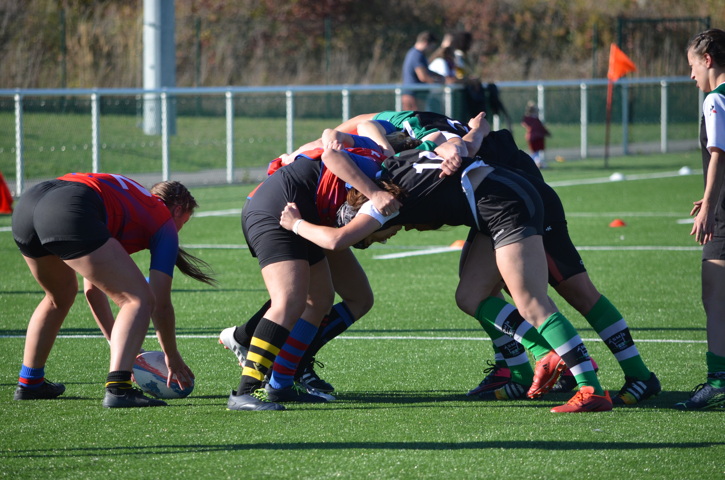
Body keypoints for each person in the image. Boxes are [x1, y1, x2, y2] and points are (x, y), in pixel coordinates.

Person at [279, 133, 612, 413]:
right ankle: (546, 356)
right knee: (470, 296)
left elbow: (337, 240)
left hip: (504, 204)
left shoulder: (378, 205)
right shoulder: (386, 164)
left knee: (531, 303)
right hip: (500, 195)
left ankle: (590, 388)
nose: (386, 236)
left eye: (372, 238)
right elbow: (435, 142)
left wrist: (296, 224)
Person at [227, 123, 404, 411]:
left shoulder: (378, 167)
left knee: (320, 300)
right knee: (289, 300)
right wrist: (375, 193)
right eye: (386, 232)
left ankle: (280, 384)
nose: (385, 237)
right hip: (275, 209)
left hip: (300, 212)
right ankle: (246, 391)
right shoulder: (377, 171)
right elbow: (331, 154)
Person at [11, 173, 215, 408]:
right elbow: (160, 304)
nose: (179, 229)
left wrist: (120, 346)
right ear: (178, 210)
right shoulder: (163, 221)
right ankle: (119, 389)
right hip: (69, 204)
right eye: (184, 222)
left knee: (59, 296)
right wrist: (172, 355)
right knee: (138, 299)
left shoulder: (133, 204)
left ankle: (30, 382)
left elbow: (93, 290)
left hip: (29, 203)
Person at [676, 28, 725, 410]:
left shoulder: (715, 100)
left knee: (715, 295)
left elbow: (718, 152)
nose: (691, 75)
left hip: (724, 214)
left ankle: (718, 380)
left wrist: (710, 204)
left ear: (708, 60)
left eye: (693, 65)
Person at [401, 31, 445, 111]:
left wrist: (438, 76)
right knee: (416, 121)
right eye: (432, 46)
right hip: (414, 96)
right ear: (426, 43)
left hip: (413, 95)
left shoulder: (414, 53)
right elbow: (423, 76)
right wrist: (439, 83)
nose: (432, 49)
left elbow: (426, 71)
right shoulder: (417, 55)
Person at [521, 101, 551, 169]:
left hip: (538, 137)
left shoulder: (536, 119)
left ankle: (538, 163)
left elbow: (541, 128)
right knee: (535, 152)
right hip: (533, 137)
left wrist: (546, 133)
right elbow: (524, 123)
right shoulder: (529, 119)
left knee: (537, 151)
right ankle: (535, 163)